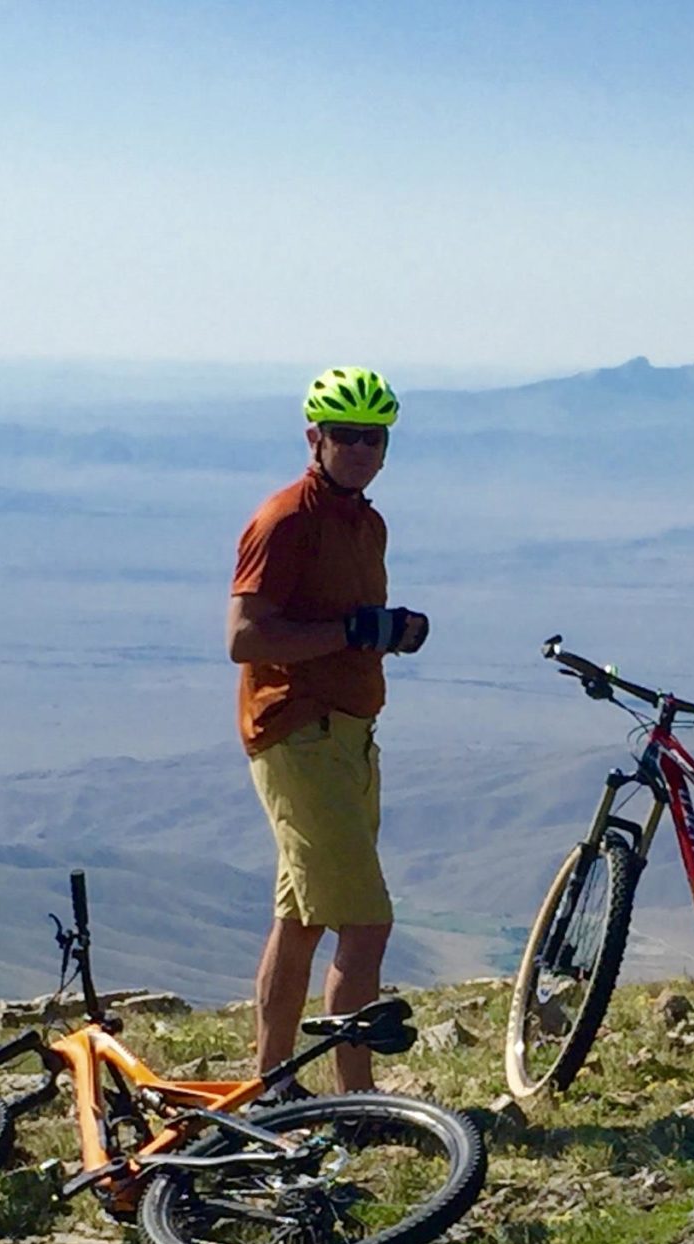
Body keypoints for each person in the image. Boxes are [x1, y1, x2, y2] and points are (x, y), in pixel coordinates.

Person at [227, 367, 428, 1092]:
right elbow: (246, 637)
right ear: (315, 437)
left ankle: (272, 1081)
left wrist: (389, 632)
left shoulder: (364, 521)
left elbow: (343, 625)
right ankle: (358, 1095)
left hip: (348, 733)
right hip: (298, 732)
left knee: (303, 919)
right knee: (366, 924)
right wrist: (350, 630)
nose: (362, 450)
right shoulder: (284, 520)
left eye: (374, 438)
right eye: (346, 436)